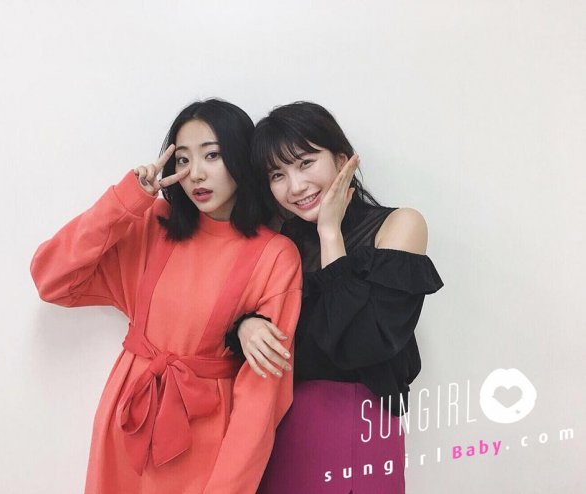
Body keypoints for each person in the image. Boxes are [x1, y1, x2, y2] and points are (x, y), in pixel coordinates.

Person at [30, 99, 302, 494]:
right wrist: (125, 201)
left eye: (212, 155)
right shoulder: (151, 224)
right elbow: (52, 279)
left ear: (241, 157)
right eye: (183, 160)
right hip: (128, 421)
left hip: (206, 440)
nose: (196, 174)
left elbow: (263, 398)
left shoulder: (276, 255)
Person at [225, 102, 444, 493]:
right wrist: (246, 327)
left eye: (305, 163)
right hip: (279, 426)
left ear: (342, 159)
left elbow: (361, 345)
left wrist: (330, 235)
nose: (295, 186)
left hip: (358, 422)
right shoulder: (279, 242)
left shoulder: (399, 225)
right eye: (278, 174)